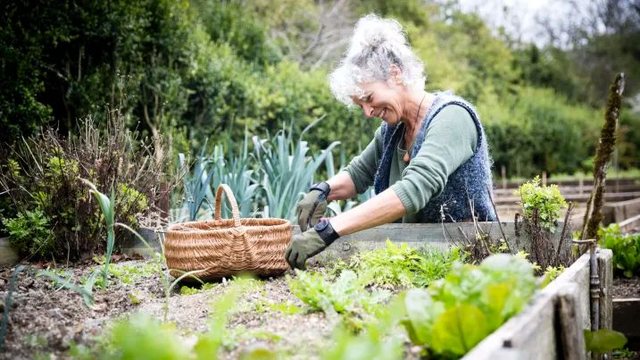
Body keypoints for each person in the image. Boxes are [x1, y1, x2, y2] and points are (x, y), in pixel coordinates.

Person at [285, 14, 496, 270]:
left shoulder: (452, 117)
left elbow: (415, 189)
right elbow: (358, 174)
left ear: (395, 75)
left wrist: (330, 229)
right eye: (359, 105)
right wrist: (323, 191)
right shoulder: (393, 130)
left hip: (471, 258)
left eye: (369, 98)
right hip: (421, 258)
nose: (367, 111)